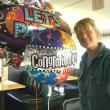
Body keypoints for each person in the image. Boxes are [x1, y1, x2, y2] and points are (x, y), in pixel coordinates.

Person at [73, 17, 110, 110]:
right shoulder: (83, 60)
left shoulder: (107, 59)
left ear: (97, 33)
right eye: (80, 34)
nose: (84, 36)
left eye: (88, 31)